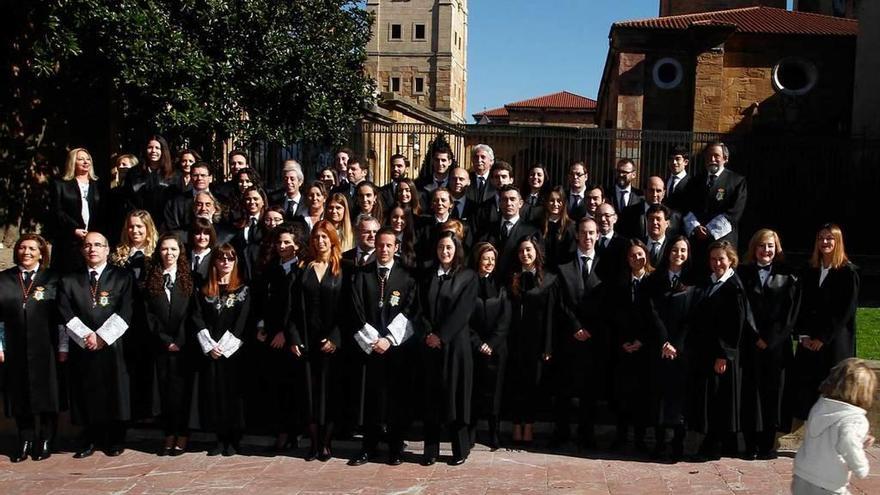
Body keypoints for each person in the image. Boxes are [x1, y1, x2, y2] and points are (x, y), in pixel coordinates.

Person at [58, 232, 134, 458]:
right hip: (82, 346)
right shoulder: (69, 280)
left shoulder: (122, 277)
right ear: (82, 250)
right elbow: (65, 311)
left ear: (107, 249)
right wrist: (85, 336)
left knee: (114, 391)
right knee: (86, 392)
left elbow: (126, 310)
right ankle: (89, 438)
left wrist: (102, 337)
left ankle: (114, 439)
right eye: (88, 245)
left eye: (98, 245)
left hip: (113, 345)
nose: (93, 249)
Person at [347, 228, 419, 466]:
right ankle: (368, 446)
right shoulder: (362, 274)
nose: (384, 249)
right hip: (369, 348)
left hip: (395, 349)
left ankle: (395, 447)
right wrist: (373, 339)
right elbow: (355, 308)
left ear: (396, 247)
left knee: (396, 398)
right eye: (380, 245)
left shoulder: (407, 277)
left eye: (389, 245)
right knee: (370, 399)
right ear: (374, 246)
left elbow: (410, 309)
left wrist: (388, 338)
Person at [738, 229, 799, 460]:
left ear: (777, 249)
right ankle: (750, 444)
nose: (766, 250)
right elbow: (743, 309)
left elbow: (790, 313)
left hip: (777, 348)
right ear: (754, 248)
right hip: (750, 345)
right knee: (750, 394)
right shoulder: (742, 274)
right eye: (762, 245)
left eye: (771, 246)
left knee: (772, 394)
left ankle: (767, 444)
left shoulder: (789, 275)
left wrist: (771, 338)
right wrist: (755, 337)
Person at [689, 241, 753, 460]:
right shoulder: (710, 283)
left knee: (720, 400)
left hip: (722, 356)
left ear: (731, 260)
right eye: (713, 259)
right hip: (706, 352)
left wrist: (724, 355)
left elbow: (736, 324)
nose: (717, 263)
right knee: (713, 398)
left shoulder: (734, 287)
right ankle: (722, 443)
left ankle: (714, 445)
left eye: (721, 259)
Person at [0, 234, 61, 462]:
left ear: (41, 253)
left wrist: (63, 347)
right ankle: (24, 439)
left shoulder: (52, 278)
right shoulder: (4, 278)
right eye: (23, 248)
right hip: (14, 347)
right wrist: (0, 345)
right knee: (19, 394)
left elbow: (61, 317)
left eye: (32, 249)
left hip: (46, 347)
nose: (27, 252)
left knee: (48, 393)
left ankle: (45, 438)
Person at [420, 231, 478, 466]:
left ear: (456, 250)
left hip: (456, 346)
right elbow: (420, 307)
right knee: (431, 399)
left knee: (456, 397)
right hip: (429, 346)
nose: (444, 252)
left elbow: (463, 311)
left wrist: (441, 336)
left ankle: (459, 450)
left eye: (449, 248)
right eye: (441, 247)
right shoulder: (427, 275)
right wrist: (428, 333)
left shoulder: (468, 276)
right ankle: (430, 450)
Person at [289, 221, 346, 461]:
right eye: (316, 237)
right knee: (310, 394)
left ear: (332, 239)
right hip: (307, 340)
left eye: (324, 237)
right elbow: (291, 307)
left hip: (332, 343)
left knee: (330, 394)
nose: (320, 241)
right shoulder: (301, 268)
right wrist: (294, 337)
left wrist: (335, 338)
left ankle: (326, 443)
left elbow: (348, 309)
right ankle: (313, 443)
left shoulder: (344, 268)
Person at [791, 223, 860, 421]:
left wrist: (823, 337)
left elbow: (844, 311)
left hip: (834, 343)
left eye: (829, 238)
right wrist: (803, 335)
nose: (824, 242)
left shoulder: (848, 273)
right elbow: (800, 305)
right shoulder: (809, 270)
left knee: (833, 393)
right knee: (807, 392)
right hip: (808, 342)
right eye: (821, 238)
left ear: (838, 242)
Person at [190, 243, 250, 456]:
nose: (225, 262)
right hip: (211, 350)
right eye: (221, 258)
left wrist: (225, 346)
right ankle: (219, 438)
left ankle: (234, 440)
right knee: (213, 395)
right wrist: (209, 344)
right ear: (214, 261)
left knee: (233, 396)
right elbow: (196, 316)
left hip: (233, 353)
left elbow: (243, 321)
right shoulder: (204, 289)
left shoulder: (243, 289)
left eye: (230, 259)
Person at [555, 218, 607, 449]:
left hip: (595, 338)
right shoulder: (563, 266)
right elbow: (561, 302)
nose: (587, 237)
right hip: (569, 336)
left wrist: (591, 329)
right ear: (577, 235)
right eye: (584, 233)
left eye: (592, 233)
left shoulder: (607, 266)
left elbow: (608, 302)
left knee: (590, 389)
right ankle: (562, 432)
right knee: (564, 387)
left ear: (598, 236)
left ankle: (587, 433)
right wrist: (575, 327)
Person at [645, 235, 697, 462]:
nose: (679, 254)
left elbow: (692, 317)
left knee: (679, 397)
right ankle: (658, 442)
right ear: (668, 252)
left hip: (682, 349)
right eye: (675, 250)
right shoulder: (654, 279)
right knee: (658, 395)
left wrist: (676, 343)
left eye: (683, 251)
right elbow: (652, 312)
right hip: (659, 348)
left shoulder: (693, 281)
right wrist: (664, 341)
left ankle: (677, 443)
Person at [257, 223, 308, 453]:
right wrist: (262, 326)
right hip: (271, 338)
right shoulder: (270, 269)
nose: (282, 246)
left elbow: (296, 306)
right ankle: (282, 431)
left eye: (287, 242)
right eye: (279, 242)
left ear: (297, 245)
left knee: (295, 388)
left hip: (292, 338)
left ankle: (296, 432)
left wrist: (285, 333)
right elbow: (263, 302)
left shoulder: (302, 269)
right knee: (276, 387)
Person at [143, 234, 195, 456]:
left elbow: (192, 314)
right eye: (164, 249)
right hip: (161, 347)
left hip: (185, 348)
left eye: (173, 249)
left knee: (183, 394)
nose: (169, 253)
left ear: (180, 252)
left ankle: (182, 435)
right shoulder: (151, 280)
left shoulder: (189, 279)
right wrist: (165, 340)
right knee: (164, 393)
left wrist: (180, 340)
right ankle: (168, 434)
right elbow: (148, 315)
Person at [791, 358, 875, 495]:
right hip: (829, 482)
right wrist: (861, 467)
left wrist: (862, 439)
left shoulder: (821, 406)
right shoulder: (855, 419)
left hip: (803, 475)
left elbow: (831, 432)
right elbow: (847, 441)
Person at [507, 236, 556, 448]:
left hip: (536, 343)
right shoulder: (513, 278)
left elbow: (550, 316)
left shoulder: (549, 280)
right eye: (521, 251)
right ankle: (517, 425)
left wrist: (547, 346)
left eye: (528, 250)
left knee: (532, 386)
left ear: (536, 252)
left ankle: (529, 425)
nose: (525, 254)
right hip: (515, 341)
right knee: (516, 385)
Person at [608, 239, 653, 452]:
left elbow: (655, 316)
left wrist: (641, 341)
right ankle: (621, 435)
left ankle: (640, 438)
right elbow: (613, 315)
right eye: (633, 255)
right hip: (623, 347)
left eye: (640, 254)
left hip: (645, 347)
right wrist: (623, 341)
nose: (637, 259)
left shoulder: (654, 281)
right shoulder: (618, 283)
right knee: (622, 394)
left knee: (643, 396)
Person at [468, 243, 511, 451]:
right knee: (474, 391)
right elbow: (464, 318)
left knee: (495, 394)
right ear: (478, 260)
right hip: (473, 348)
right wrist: (477, 343)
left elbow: (505, 319)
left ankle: (494, 433)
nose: (489, 263)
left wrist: (491, 343)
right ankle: (471, 432)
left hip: (497, 350)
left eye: (493, 260)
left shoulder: (501, 286)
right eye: (486, 259)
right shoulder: (468, 284)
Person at [683, 142, 747, 272]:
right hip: (698, 245)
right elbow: (687, 208)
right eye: (708, 156)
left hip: (723, 244)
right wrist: (695, 227)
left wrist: (709, 230)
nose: (712, 159)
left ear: (725, 158)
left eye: (716, 156)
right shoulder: (694, 181)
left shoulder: (737, 182)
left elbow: (734, 213)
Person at [51, 148, 104, 274]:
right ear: (72, 162)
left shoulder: (98, 185)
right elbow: (57, 211)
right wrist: (74, 229)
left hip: (93, 238)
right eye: (80, 159)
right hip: (68, 239)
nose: (85, 162)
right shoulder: (61, 184)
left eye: (88, 159)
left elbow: (103, 211)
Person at [480, 185, 540, 282]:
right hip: (490, 284)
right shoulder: (487, 229)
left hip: (518, 284)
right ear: (499, 203)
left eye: (512, 199)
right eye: (504, 199)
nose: (508, 203)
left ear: (520, 203)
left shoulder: (532, 231)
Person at [124, 135, 177, 222]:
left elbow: (176, 203)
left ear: (163, 151)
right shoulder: (134, 173)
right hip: (141, 223)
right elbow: (129, 199)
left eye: (157, 148)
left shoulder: (174, 174)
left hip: (165, 224)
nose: (153, 151)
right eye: (150, 147)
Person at [540, 186, 577, 272]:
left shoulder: (570, 226)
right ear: (547, 202)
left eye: (559, 201)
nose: (555, 204)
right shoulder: (539, 224)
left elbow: (571, 254)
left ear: (564, 203)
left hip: (562, 273)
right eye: (552, 200)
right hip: (542, 272)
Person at [189, 218, 217, 290]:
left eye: (206, 233)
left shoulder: (215, 257)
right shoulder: (184, 255)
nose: (202, 237)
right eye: (198, 233)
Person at [388, 204, 417, 269]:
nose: (398, 221)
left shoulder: (414, 241)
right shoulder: (382, 238)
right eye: (395, 217)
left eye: (403, 218)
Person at [664, 145, 691, 212]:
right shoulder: (664, 181)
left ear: (686, 162)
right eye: (671, 159)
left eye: (677, 159)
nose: (674, 162)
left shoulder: (692, 183)